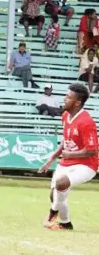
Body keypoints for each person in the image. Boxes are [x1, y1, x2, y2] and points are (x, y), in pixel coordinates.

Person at [38, 83, 97, 231]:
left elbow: (92, 150)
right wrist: (53, 156)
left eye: (68, 97)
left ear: (77, 102)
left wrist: (71, 154)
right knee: (54, 194)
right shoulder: (65, 115)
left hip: (86, 165)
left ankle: (52, 214)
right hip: (67, 161)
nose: (64, 99)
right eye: (66, 95)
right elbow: (66, 138)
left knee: (61, 183)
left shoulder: (86, 122)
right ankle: (65, 223)